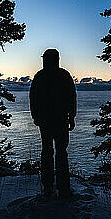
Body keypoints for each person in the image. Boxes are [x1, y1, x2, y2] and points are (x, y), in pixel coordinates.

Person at [29, 49, 77, 198]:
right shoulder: (62, 75)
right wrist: (72, 116)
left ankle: (50, 187)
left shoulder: (41, 76)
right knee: (57, 153)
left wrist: (36, 116)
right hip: (56, 121)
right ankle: (60, 188)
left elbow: (33, 98)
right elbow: (71, 97)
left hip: (51, 121)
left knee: (50, 152)